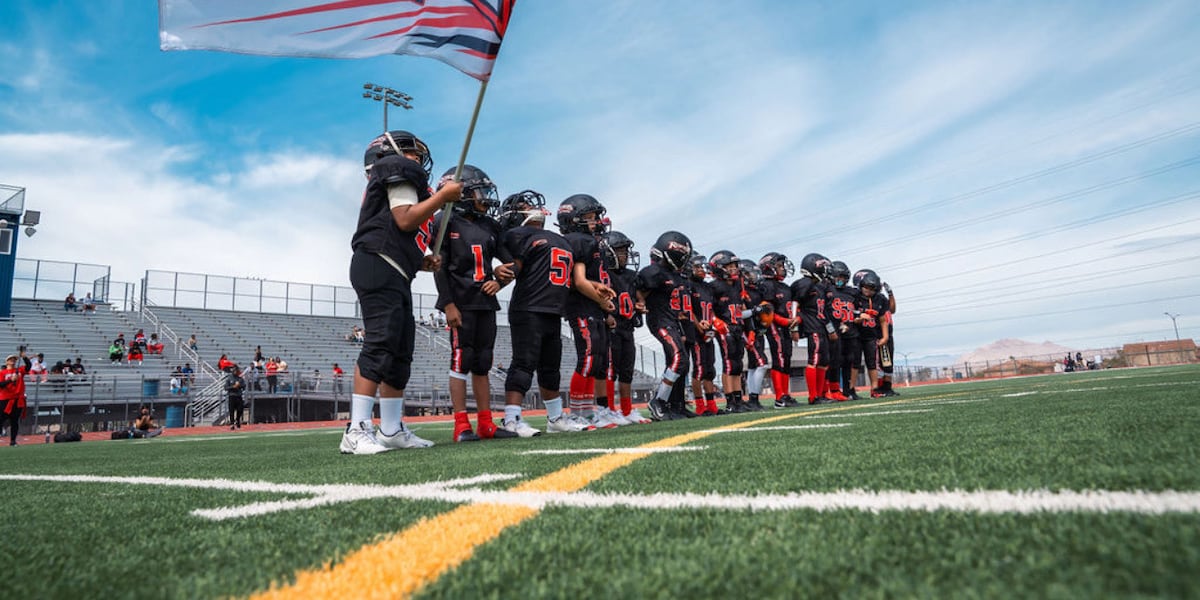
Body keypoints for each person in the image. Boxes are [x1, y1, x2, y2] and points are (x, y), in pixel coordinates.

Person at [340, 129, 460, 455]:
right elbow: (405, 220)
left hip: (394, 268)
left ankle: (391, 429)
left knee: (399, 352)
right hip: (377, 263)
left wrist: (422, 261)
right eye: (411, 151)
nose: (417, 158)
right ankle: (356, 428)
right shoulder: (396, 170)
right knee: (380, 344)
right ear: (387, 153)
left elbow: (397, 230)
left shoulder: (400, 176)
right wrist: (442, 198)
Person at [431, 164, 517, 442]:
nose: (486, 198)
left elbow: (514, 264)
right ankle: (460, 424)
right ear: (462, 193)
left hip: (485, 302)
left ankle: (486, 423)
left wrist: (501, 280)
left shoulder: (490, 225)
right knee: (461, 359)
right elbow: (439, 268)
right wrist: (448, 304)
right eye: (480, 192)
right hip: (461, 301)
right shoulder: (444, 220)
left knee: (483, 362)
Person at [496, 189, 584, 435]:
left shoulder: (559, 239)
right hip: (529, 307)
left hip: (552, 310)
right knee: (523, 364)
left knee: (550, 368)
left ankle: (555, 418)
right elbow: (514, 266)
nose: (531, 208)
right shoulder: (517, 235)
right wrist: (497, 278)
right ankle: (511, 419)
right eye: (524, 206)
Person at [557, 194, 621, 428]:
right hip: (581, 305)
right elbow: (579, 281)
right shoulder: (579, 241)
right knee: (588, 357)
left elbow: (584, 280)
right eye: (591, 217)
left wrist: (600, 296)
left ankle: (587, 411)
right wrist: (601, 301)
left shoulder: (586, 241)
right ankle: (577, 411)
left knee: (596, 359)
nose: (596, 222)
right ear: (574, 219)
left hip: (590, 304)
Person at [637, 232, 696, 420]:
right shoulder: (654, 272)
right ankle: (658, 401)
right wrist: (640, 303)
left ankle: (676, 405)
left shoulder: (675, 275)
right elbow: (639, 292)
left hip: (673, 321)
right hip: (660, 320)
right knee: (679, 358)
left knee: (681, 363)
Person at [602, 230, 652, 423]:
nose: (625, 255)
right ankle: (609, 409)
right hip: (611, 328)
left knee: (627, 371)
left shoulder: (631, 275)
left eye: (625, 251)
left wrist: (640, 305)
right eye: (620, 251)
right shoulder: (603, 274)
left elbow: (638, 298)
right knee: (611, 371)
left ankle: (627, 410)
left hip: (627, 327)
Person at [790, 253, 836, 405]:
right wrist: (794, 328)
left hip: (821, 327)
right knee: (814, 360)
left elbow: (823, 312)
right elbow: (795, 304)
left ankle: (821, 394)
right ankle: (813, 396)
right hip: (812, 327)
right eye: (822, 267)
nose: (825, 270)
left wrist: (831, 330)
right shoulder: (805, 283)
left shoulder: (820, 286)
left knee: (824, 361)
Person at [1, 350, 31, 446]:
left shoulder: (20, 370)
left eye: (14, 359)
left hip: (18, 400)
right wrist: (10, 380)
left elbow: (28, 366)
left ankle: (13, 440)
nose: (13, 360)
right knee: (1, 419)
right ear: (7, 362)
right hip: (5, 400)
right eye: (11, 359)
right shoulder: (2, 373)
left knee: (15, 421)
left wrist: (24, 357)